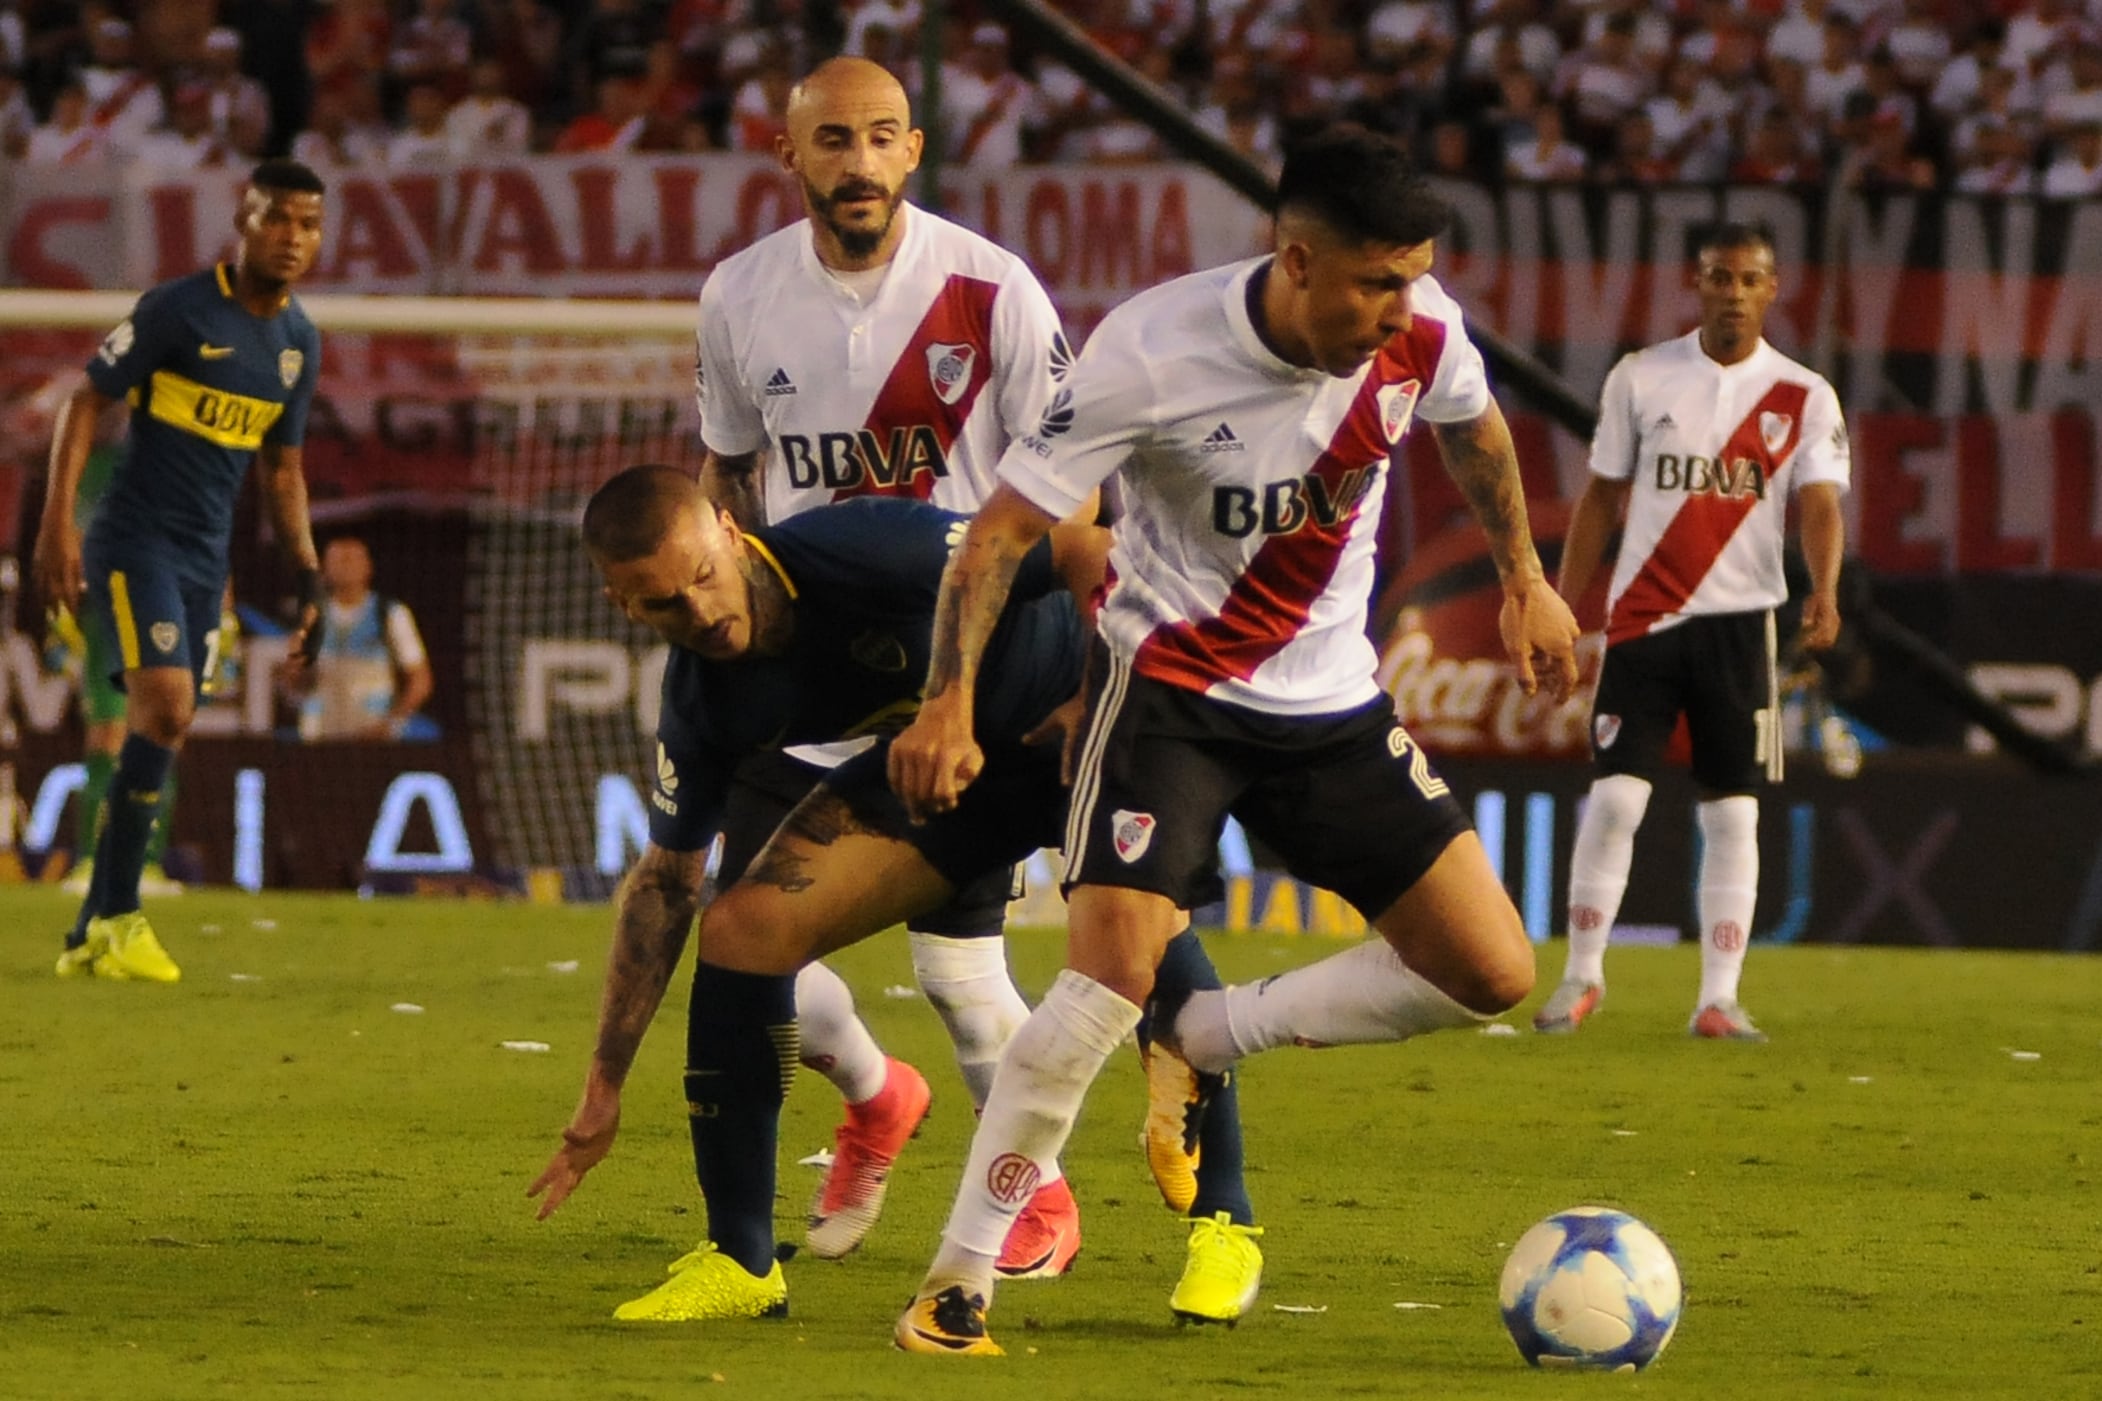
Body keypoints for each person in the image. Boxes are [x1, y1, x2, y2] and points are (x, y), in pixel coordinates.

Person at [884, 123, 1582, 1356]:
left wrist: (1525, 577)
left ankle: (1207, 1038)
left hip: (1332, 706)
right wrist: (947, 701)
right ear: (1296, 259)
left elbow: (1472, 426)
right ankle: (956, 1285)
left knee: (1491, 976)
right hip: (1168, 697)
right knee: (1103, 984)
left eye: (1412, 276)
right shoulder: (1149, 353)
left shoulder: (1419, 332)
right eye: (1376, 280)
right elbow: (998, 533)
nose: (1399, 306)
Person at [691, 53, 1259, 1294]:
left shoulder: (989, 288)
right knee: (739, 924)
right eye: (831, 140)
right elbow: (728, 481)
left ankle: (1216, 1217)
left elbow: (1076, 493)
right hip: (829, 672)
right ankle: (863, 1129)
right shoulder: (737, 297)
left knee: (1099, 919)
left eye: (880, 137)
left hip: (995, 668)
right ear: (789, 155)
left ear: (913, 151)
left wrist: (1087, 661)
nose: (856, 162)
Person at [526, 473, 1114, 1323]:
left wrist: (1099, 695)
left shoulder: (866, 547)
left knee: (1144, 965)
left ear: (730, 531)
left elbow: (1090, 549)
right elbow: (662, 887)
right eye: (663, 604)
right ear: (625, 607)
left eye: (702, 574)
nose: (700, 611)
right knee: (745, 929)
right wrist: (602, 1086)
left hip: (1079, 717)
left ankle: (1222, 1222)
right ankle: (741, 1260)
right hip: (956, 776)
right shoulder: (702, 699)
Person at [1532, 222, 1849, 1042]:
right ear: (1697, 285)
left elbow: (1819, 501)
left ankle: (1718, 997)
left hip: (1744, 627)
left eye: (1749, 279)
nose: (1734, 293)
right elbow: (1602, 496)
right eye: (1720, 278)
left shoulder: (1802, 394)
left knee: (1733, 815)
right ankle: (1581, 976)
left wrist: (1826, 587)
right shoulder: (1642, 377)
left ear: (1771, 290)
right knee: (1614, 800)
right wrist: (1564, 606)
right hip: (1644, 621)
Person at [34, 160, 327, 984]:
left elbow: (282, 471)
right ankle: (122, 914)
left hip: (205, 556)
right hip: (134, 540)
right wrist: (58, 526)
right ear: (245, 216)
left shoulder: (297, 341)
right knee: (163, 703)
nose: (292, 237)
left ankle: (95, 924)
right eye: (278, 218)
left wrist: (305, 574)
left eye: (308, 223)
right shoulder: (180, 309)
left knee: (170, 720)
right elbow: (85, 401)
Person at [288, 535, 433, 741]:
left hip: (372, 732)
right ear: (324, 568)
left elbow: (420, 680)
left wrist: (392, 722)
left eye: (352, 559)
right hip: (320, 734)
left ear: (368, 567)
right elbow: (294, 680)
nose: (345, 566)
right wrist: (296, 667)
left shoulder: (390, 614)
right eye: (338, 560)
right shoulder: (311, 617)